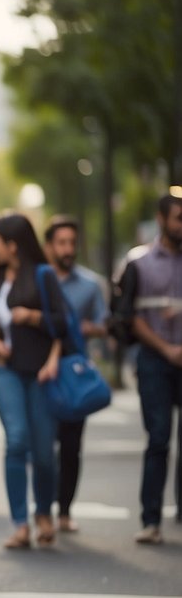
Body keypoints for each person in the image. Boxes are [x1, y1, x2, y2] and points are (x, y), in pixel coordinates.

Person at [0, 212, 68, 549]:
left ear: (12, 245)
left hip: (40, 371)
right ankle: (20, 523)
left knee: (44, 451)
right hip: (4, 369)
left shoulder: (44, 275)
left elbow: (63, 324)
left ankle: (44, 512)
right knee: (17, 440)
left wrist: (32, 316)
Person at [44, 215, 108, 532]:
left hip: (74, 374)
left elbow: (104, 323)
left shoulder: (89, 284)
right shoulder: (39, 280)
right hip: (41, 371)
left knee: (70, 446)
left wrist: (89, 328)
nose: (68, 249)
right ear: (50, 246)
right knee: (42, 445)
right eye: (62, 243)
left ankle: (64, 510)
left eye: (72, 243)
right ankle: (43, 507)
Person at [130, 194, 182, 544]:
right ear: (161, 219)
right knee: (159, 438)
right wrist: (166, 348)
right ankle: (151, 520)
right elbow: (129, 316)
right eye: (178, 218)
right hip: (154, 360)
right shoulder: (139, 263)